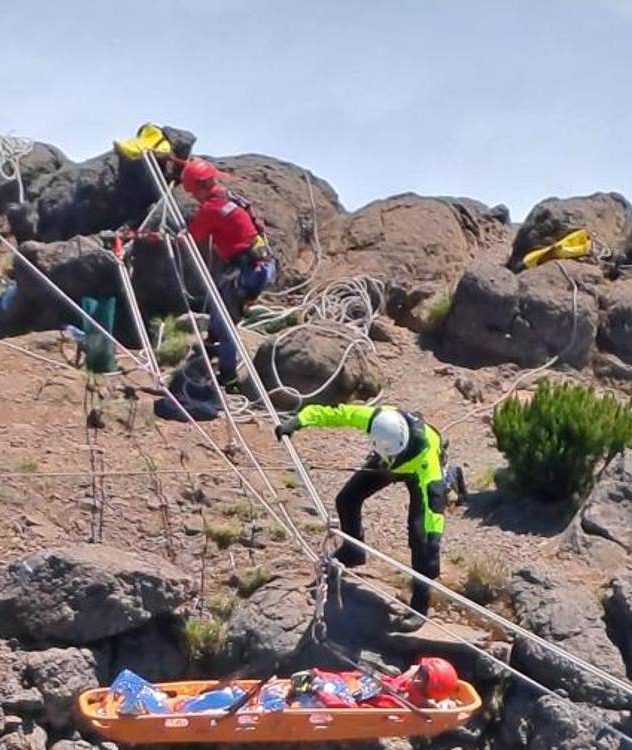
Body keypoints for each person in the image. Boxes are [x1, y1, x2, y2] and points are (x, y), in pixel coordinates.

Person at [275, 403, 458, 624]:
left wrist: (431, 555)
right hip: (388, 456)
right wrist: (300, 420)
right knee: (347, 499)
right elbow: (337, 413)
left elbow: (433, 517)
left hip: (414, 468)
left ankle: (420, 606)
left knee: (421, 536)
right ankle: (354, 551)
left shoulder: (427, 463)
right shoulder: (376, 418)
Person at [182, 158, 276, 389]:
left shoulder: (212, 209)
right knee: (218, 302)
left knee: (225, 323)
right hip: (261, 264)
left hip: (248, 271)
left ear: (202, 186)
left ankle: (229, 377)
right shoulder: (229, 196)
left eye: (195, 193)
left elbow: (191, 236)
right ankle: (212, 344)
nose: (195, 198)